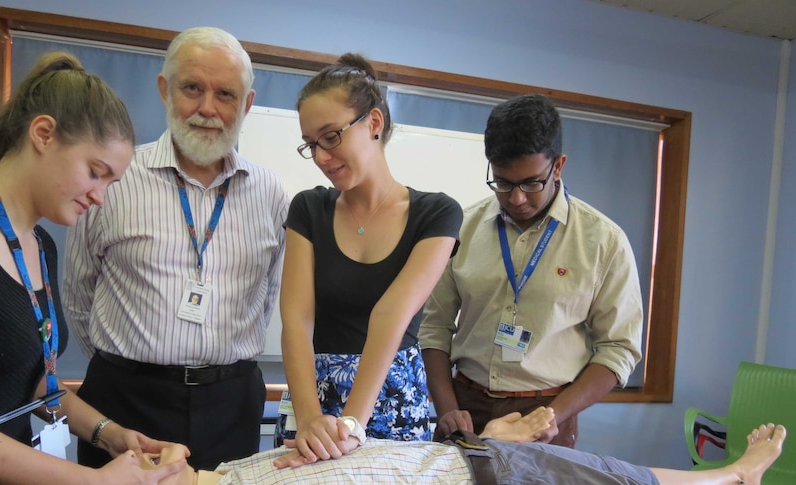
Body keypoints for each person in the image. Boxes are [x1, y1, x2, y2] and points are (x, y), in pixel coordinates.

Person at [0, 52, 186, 484]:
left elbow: (31, 379)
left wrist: (110, 434)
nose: (100, 197)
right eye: (95, 172)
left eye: (111, 183)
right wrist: (95, 481)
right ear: (44, 134)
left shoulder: (40, 244)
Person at [64, 27, 288, 470]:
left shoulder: (271, 193)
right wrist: (134, 369)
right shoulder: (116, 178)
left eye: (225, 94)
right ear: (165, 90)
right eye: (192, 88)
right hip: (126, 397)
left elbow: (266, 297)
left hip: (232, 402)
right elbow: (77, 293)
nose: (208, 108)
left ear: (246, 105)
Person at [420, 93, 644, 447]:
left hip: (549, 411)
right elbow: (434, 327)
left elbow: (619, 348)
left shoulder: (603, 241)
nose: (517, 198)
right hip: (465, 407)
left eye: (531, 183)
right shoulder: (462, 228)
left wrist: (551, 416)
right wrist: (446, 407)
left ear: (558, 166)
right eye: (504, 183)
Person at [274, 53, 463, 462]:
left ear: (373, 123)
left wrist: (352, 425)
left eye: (331, 136)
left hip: (393, 401)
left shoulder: (437, 214)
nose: (321, 156)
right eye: (311, 144)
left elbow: (391, 315)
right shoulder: (309, 209)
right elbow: (296, 317)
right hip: (313, 397)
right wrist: (309, 418)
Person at [152, 411, 788, 485]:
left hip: (471, 457)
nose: (158, 455)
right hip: (488, 480)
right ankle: (731, 479)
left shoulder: (232, 471)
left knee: (610, 473)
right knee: (615, 479)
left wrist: (480, 440)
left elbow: (369, 463)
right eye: (148, 469)